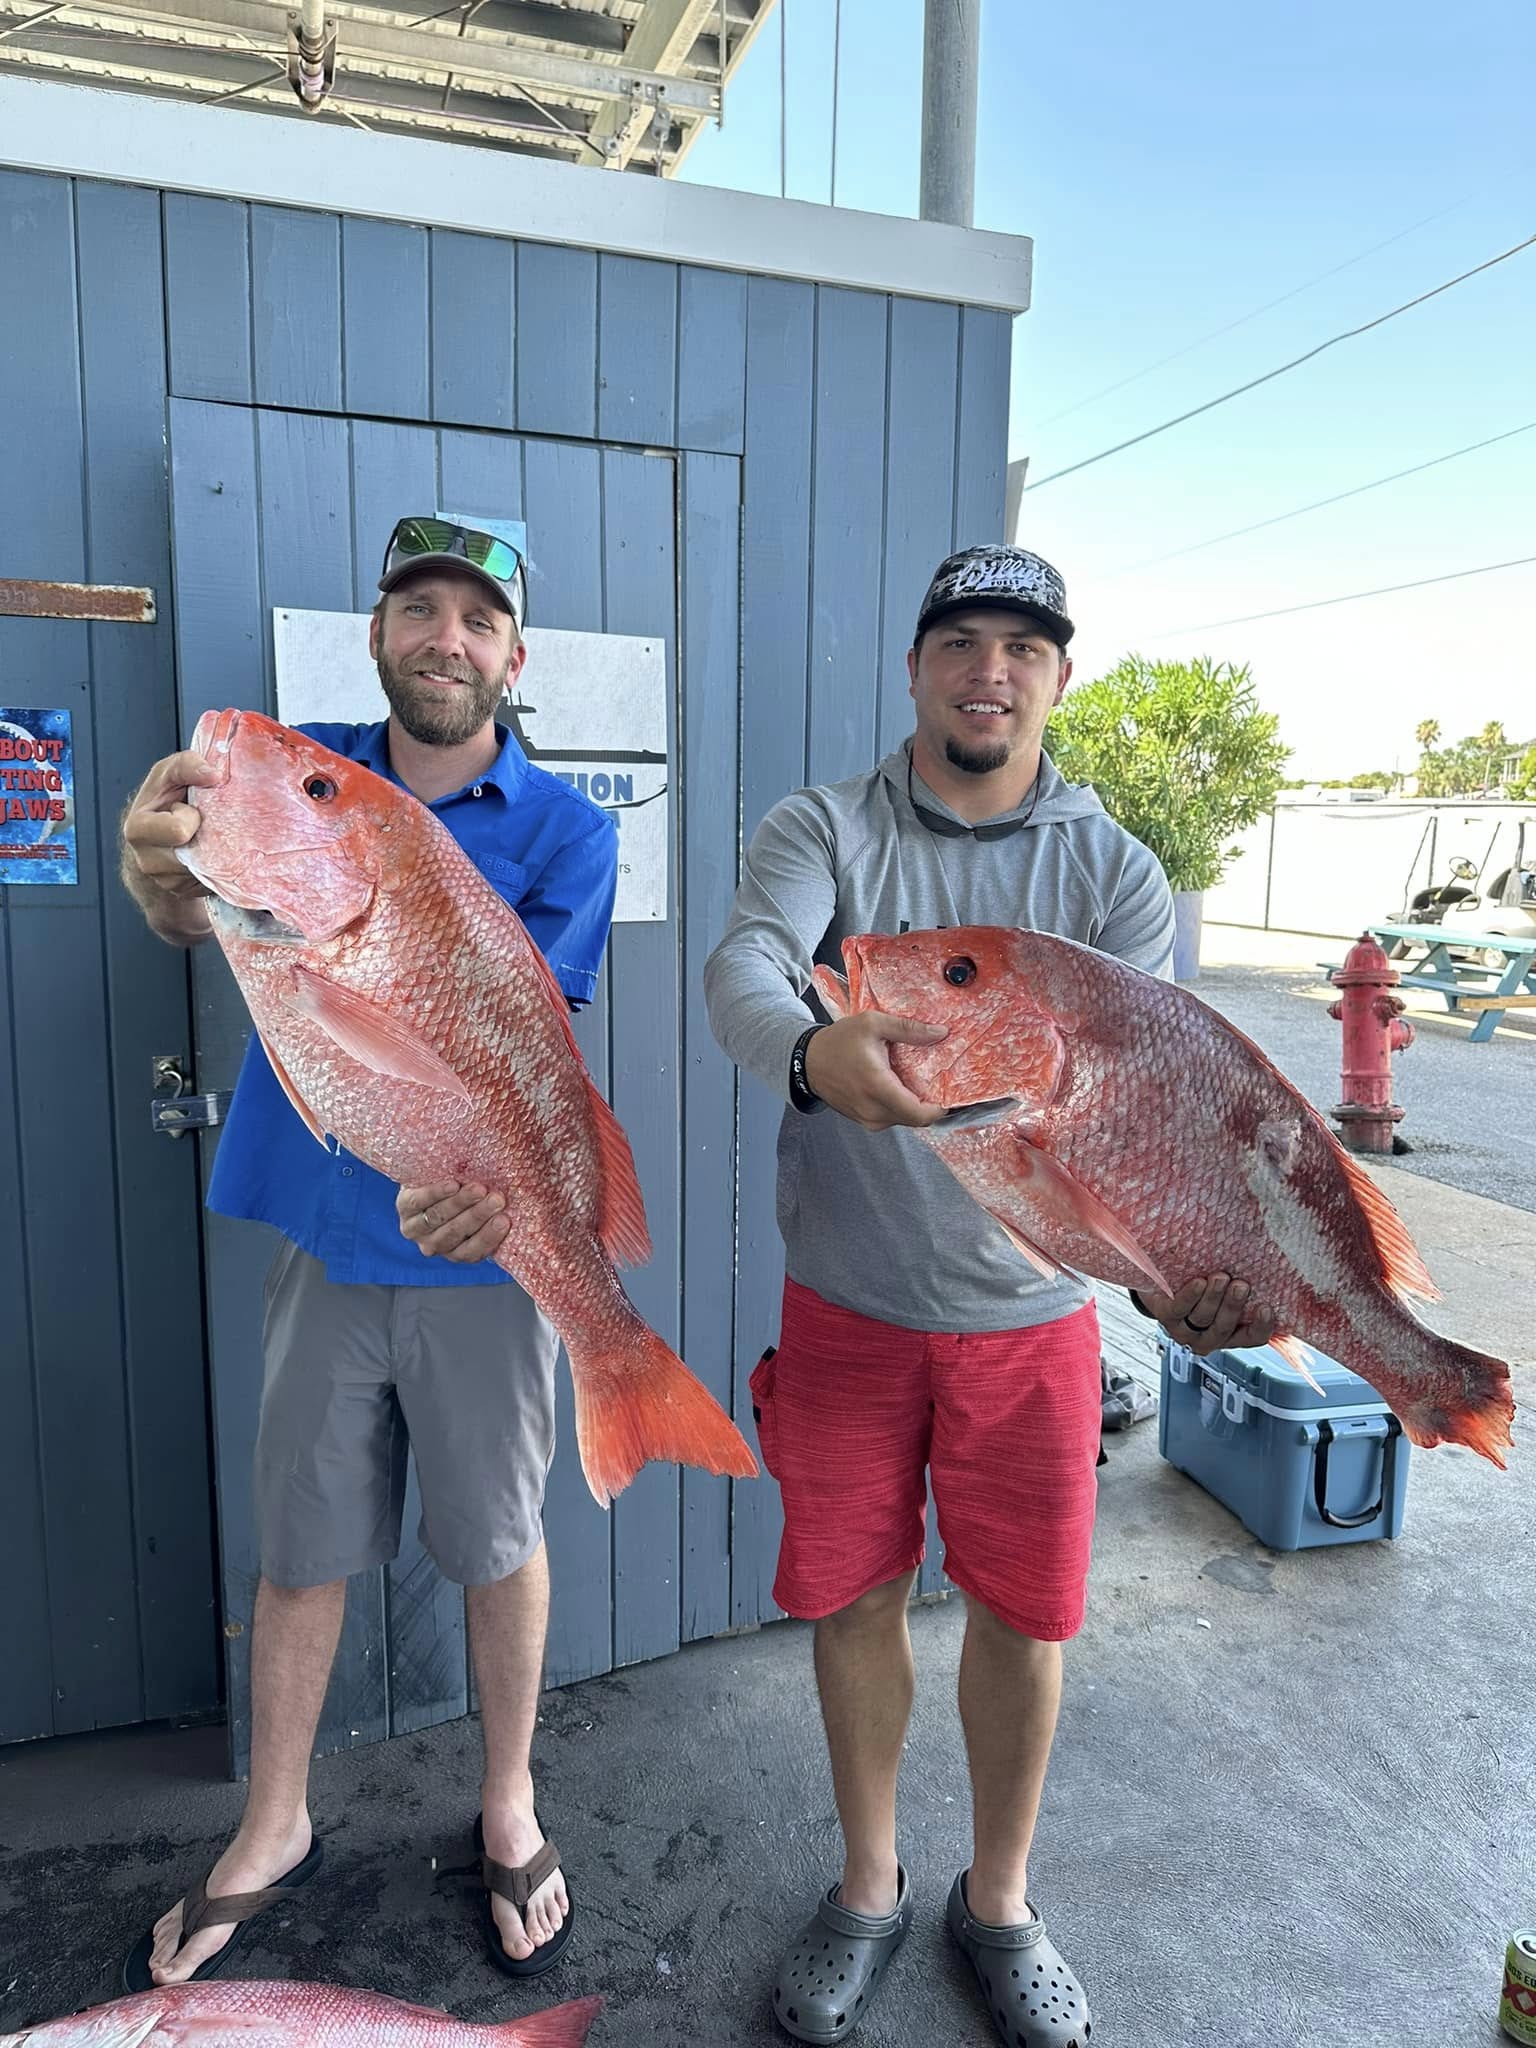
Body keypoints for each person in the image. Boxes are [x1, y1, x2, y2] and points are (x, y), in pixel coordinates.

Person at [703, 544, 1276, 2047]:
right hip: (847, 1308)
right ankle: (872, 1882)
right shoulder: (822, 828)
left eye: (1024, 646)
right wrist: (817, 1056)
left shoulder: (1112, 874)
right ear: (915, 669)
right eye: (961, 639)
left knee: (1026, 1618)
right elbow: (749, 967)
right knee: (851, 1598)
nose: (990, 669)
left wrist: (1183, 1275)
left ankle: (1000, 1899)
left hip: (1033, 1322)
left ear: (1058, 677)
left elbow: (1147, 1113)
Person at [118, 515, 618, 1989]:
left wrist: (519, 1201)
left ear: (514, 657)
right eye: (420, 609)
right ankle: (274, 1822)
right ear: (380, 631)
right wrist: (157, 862)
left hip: (482, 1251)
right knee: (303, 1547)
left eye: (477, 619)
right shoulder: (299, 772)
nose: (445, 639)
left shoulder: (569, 833)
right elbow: (180, 906)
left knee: (500, 1543)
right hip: (327, 1244)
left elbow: (532, 1050)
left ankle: (509, 1798)